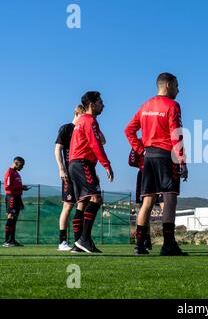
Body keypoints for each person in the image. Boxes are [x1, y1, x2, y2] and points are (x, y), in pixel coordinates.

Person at [125, 72, 188, 256]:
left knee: (147, 200)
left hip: (148, 157)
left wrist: (141, 150)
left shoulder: (146, 105)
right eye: (177, 85)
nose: (179, 89)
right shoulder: (172, 105)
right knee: (170, 198)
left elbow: (128, 130)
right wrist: (182, 160)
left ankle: (139, 246)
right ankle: (168, 245)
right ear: (168, 85)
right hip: (165, 156)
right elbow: (176, 135)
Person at [68, 91, 114, 253]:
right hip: (82, 163)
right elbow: (96, 144)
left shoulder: (80, 121)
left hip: (75, 164)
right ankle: (84, 239)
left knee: (82, 203)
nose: (103, 105)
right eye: (100, 102)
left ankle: (78, 244)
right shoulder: (89, 120)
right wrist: (107, 165)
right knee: (96, 198)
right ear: (92, 104)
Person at [54, 105, 85, 251]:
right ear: (77, 112)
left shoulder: (85, 127)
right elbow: (57, 149)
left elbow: (102, 140)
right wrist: (61, 169)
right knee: (67, 206)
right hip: (69, 173)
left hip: (81, 173)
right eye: (83, 114)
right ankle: (62, 242)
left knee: (82, 205)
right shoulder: (66, 128)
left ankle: (80, 241)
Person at [128, 146, 153, 250]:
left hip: (146, 173)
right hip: (149, 173)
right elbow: (131, 161)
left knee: (145, 207)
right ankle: (145, 240)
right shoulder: (139, 141)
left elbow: (131, 161)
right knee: (146, 207)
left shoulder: (138, 141)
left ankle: (144, 241)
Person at [3, 157, 31, 247]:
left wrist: (22, 188)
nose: (22, 167)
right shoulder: (9, 172)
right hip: (11, 197)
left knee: (14, 220)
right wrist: (21, 188)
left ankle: (12, 240)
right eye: (21, 165)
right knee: (10, 218)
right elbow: (7, 187)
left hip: (17, 198)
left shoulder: (16, 173)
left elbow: (16, 186)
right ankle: (7, 241)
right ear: (16, 163)